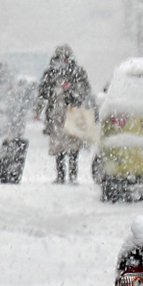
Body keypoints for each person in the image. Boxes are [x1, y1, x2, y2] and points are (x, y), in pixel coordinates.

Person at [39, 44, 94, 184]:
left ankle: (73, 175)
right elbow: (43, 92)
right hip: (56, 113)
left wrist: (70, 90)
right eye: (60, 58)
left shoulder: (78, 72)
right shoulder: (50, 73)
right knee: (59, 146)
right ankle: (60, 175)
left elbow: (85, 90)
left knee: (73, 145)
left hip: (73, 113)